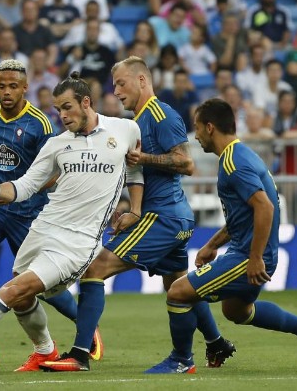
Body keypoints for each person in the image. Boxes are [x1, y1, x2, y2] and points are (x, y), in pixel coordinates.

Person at [0, 71, 143, 371]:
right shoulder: (57, 144)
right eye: (58, 109)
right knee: (22, 295)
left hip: (77, 240)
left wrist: (135, 207)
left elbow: (136, 168)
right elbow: (24, 185)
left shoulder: (125, 129)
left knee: (12, 291)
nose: (62, 116)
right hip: (43, 227)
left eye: (67, 108)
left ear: (86, 102)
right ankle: (45, 350)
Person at [40, 56, 234, 373]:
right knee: (180, 287)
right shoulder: (135, 121)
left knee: (95, 269)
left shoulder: (160, 115)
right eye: (113, 85)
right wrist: (131, 207)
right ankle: (216, 342)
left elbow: (186, 164)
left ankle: (79, 355)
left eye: (121, 83)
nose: (115, 91)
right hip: (169, 216)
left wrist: (144, 158)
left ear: (141, 80)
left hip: (165, 217)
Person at [159, 97, 297, 372]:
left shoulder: (234, 163)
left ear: (210, 127)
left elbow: (264, 207)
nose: (197, 135)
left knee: (178, 292)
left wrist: (254, 258)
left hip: (249, 255)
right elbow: (245, 215)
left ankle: (180, 361)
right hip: (250, 250)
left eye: (198, 127)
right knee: (236, 312)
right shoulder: (240, 155)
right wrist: (211, 245)